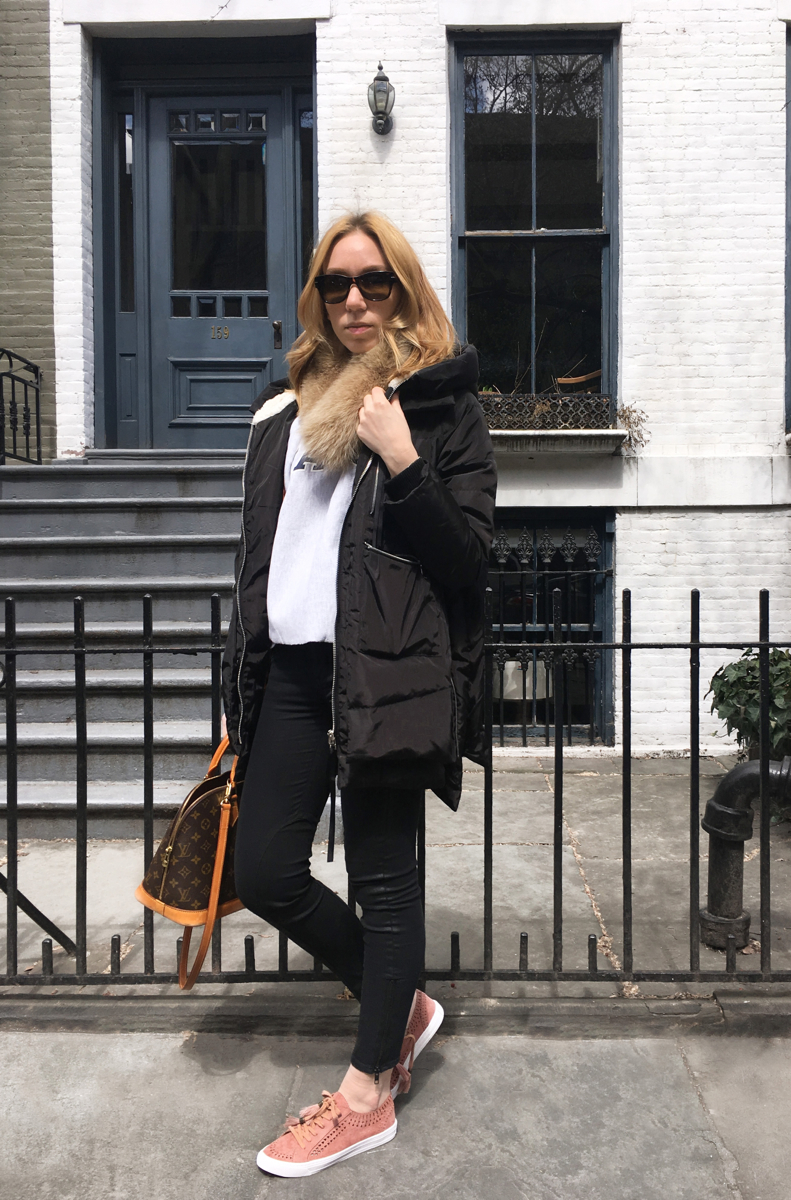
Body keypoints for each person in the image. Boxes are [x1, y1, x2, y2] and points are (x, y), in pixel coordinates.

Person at [221, 211, 496, 1178]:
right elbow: (265, 562)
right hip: (292, 676)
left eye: (374, 283)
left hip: (383, 673)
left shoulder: (440, 405)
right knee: (264, 874)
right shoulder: (280, 411)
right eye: (336, 284)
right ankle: (405, 1007)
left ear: (404, 290)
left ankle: (367, 1090)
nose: (353, 301)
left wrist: (405, 458)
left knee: (386, 888)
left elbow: (469, 567)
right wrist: (242, 685)